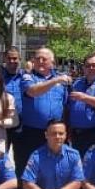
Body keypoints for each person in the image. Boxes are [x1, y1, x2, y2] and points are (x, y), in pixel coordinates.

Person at [15, 47, 70, 175]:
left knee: (54, 166)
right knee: (28, 166)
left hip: (55, 133)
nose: (40, 61)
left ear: (52, 62)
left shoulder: (63, 82)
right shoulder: (27, 77)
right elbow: (33, 91)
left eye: (44, 59)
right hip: (32, 132)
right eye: (37, 58)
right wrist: (55, 80)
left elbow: (66, 105)